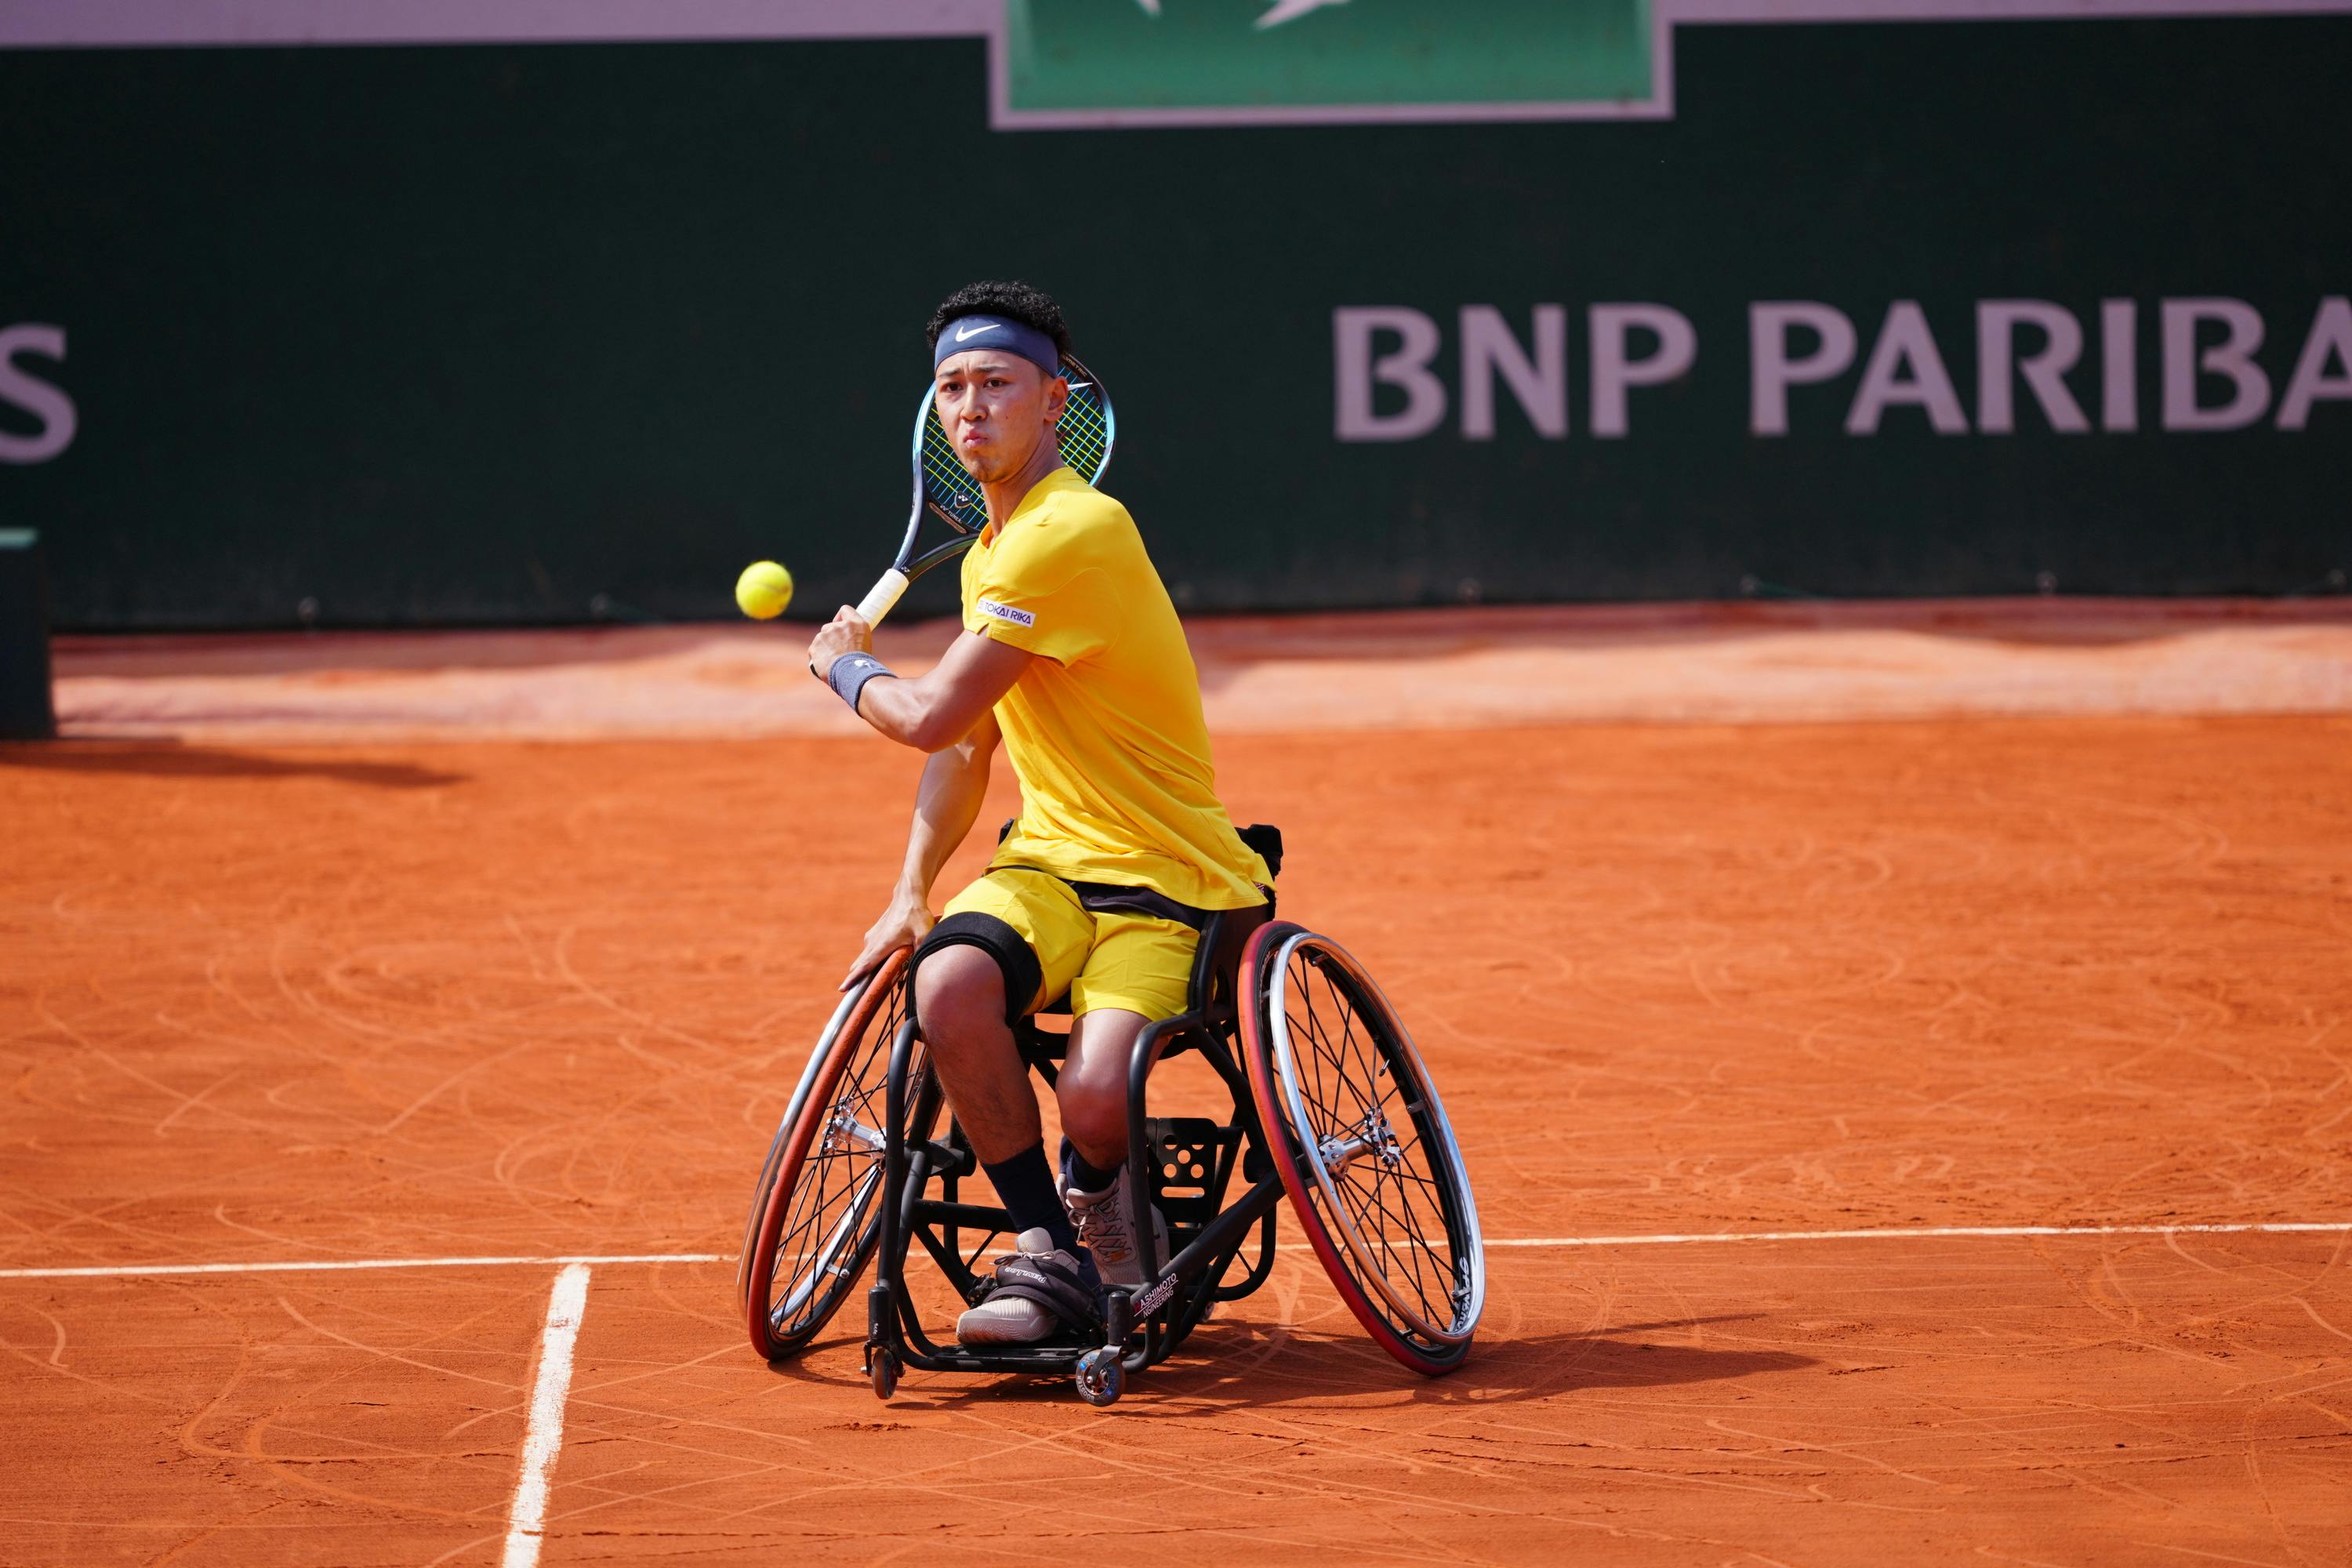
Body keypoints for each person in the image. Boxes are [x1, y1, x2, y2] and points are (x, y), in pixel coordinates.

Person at [805, 280, 1271, 1345]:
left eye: (998, 386)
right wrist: (909, 895)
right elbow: (969, 747)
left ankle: (1111, 1209)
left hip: (1170, 880)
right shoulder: (987, 555)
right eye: (951, 388)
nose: (972, 408)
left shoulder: (1073, 531)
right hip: (1051, 868)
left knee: (1099, 1094)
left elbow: (925, 716)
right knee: (951, 984)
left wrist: (844, 669)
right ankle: (1048, 1249)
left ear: (1055, 403)